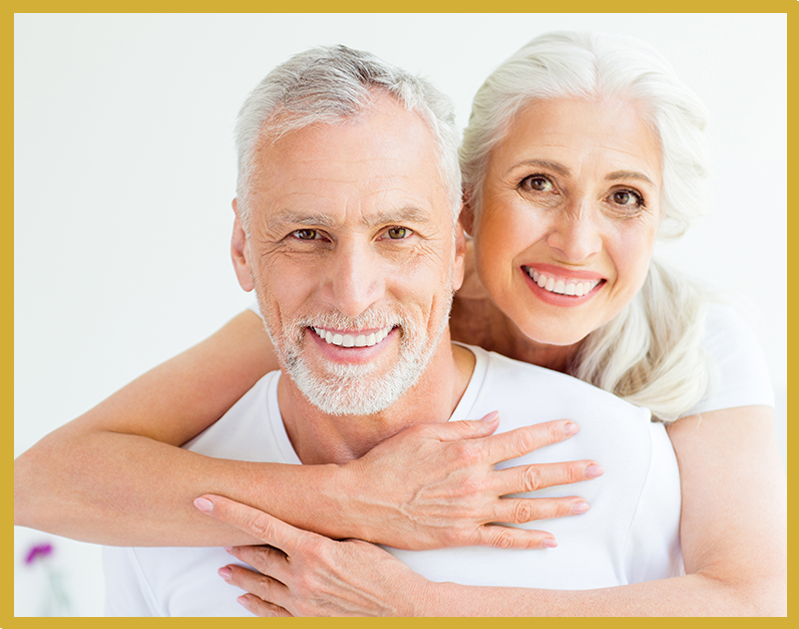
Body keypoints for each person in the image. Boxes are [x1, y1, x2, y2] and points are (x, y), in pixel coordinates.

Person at [14, 32, 785, 616]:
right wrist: (351, 497)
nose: (577, 240)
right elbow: (41, 480)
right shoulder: (333, 319)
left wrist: (419, 605)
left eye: (625, 196)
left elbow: (754, 599)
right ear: (469, 204)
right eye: (538, 182)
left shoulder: (687, 358)